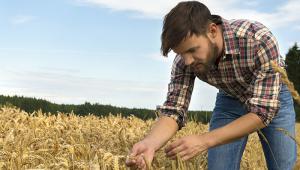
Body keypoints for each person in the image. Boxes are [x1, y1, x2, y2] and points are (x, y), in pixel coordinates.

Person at [125, 1, 297, 169]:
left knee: (284, 166)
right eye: (181, 53)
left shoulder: (258, 39)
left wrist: (204, 140)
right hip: (230, 99)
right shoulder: (184, 61)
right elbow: (174, 109)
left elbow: (263, 112)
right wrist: (150, 143)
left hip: (273, 100)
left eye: (192, 50)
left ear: (212, 30)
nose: (187, 60)